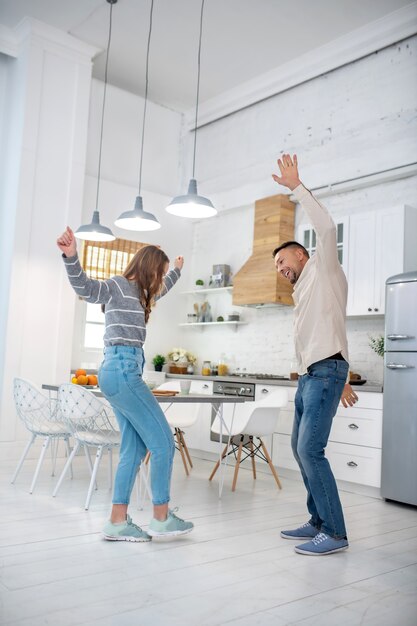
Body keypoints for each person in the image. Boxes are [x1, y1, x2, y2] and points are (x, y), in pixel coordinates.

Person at [57, 226, 193, 542]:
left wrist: (177, 271)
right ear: (148, 269)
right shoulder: (119, 286)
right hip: (121, 368)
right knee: (163, 443)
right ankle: (161, 517)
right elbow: (86, 287)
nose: (160, 280)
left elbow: (164, 289)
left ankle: (117, 522)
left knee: (134, 447)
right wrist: (71, 256)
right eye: (158, 273)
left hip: (118, 371)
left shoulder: (145, 293)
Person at [272, 154, 358, 556]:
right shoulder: (301, 291)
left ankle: (336, 533)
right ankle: (318, 521)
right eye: (275, 266)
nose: (279, 268)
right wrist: (337, 372)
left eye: (282, 260)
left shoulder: (324, 266)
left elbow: (324, 225)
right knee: (298, 448)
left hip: (324, 373)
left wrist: (297, 187)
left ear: (302, 254)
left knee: (311, 450)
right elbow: (325, 331)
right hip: (313, 375)